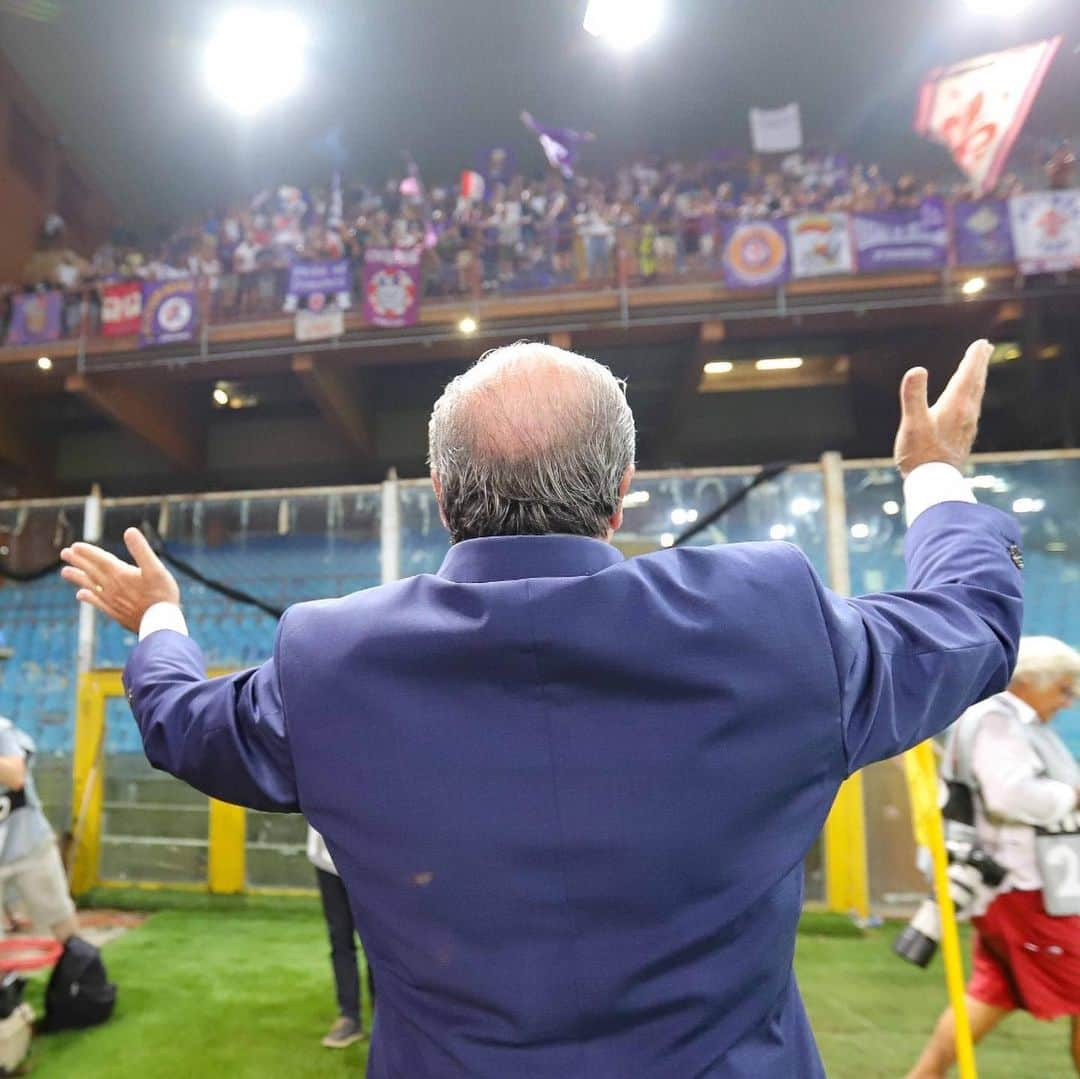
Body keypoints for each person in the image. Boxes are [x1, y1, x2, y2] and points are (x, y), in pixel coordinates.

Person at [58, 337, 1022, 1077]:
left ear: (440, 496)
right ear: (622, 493)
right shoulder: (770, 619)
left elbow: (182, 724)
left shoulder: (329, 656)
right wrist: (932, 471)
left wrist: (162, 621)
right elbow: (968, 624)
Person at [906, 636, 1080, 1078]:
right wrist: (1073, 796)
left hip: (1023, 884)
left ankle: (923, 1075)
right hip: (1023, 885)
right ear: (1027, 683)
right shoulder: (996, 723)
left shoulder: (1015, 722)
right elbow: (1011, 796)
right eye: (1063, 689)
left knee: (990, 995)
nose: (1068, 700)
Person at [0, 635, 79, 942]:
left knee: (61, 923)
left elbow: (15, 776)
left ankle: (81, 982)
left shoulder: (2, 729)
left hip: (28, 844)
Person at [307, 824, 376, 1049]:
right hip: (327, 857)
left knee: (378, 940)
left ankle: (384, 1016)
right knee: (340, 937)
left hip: (373, 859)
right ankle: (349, 1018)